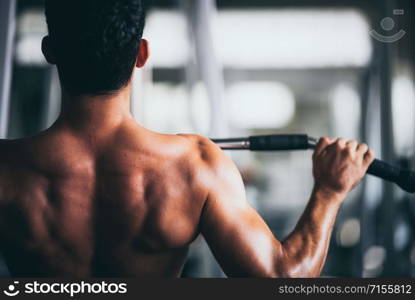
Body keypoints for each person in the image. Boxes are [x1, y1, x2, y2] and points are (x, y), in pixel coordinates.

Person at [0, 0, 374, 277]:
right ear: (141, 54)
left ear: (49, 51)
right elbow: (281, 279)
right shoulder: (194, 166)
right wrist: (329, 190)